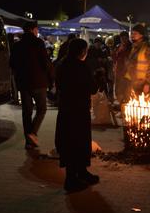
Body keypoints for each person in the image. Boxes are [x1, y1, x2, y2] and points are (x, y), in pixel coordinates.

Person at [55, 38, 99, 192]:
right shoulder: (81, 67)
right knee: (77, 142)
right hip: (78, 110)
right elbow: (92, 88)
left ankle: (82, 172)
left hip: (66, 109)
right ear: (81, 52)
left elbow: (59, 85)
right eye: (85, 51)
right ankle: (71, 179)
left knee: (71, 141)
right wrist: (98, 78)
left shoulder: (62, 64)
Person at [10, 21, 54, 149]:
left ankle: (29, 141)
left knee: (26, 112)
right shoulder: (38, 43)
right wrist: (52, 79)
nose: (37, 31)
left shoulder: (17, 45)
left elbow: (12, 64)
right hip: (38, 82)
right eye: (36, 29)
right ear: (33, 30)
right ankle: (32, 133)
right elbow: (46, 63)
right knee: (42, 109)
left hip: (23, 83)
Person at [124, 24, 150, 97]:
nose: (132, 35)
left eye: (135, 33)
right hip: (133, 83)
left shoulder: (147, 48)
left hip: (143, 85)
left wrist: (147, 84)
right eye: (132, 33)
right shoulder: (134, 47)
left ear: (141, 35)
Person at [114, 31, 132, 104]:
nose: (123, 40)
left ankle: (126, 105)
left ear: (127, 38)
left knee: (126, 90)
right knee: (118, 90)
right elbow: (115, 57)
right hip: (118, 70)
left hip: (127, 72)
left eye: (125, 38)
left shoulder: (131, 47)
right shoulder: (118, 46)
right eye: (122, 38)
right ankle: (121, 104)